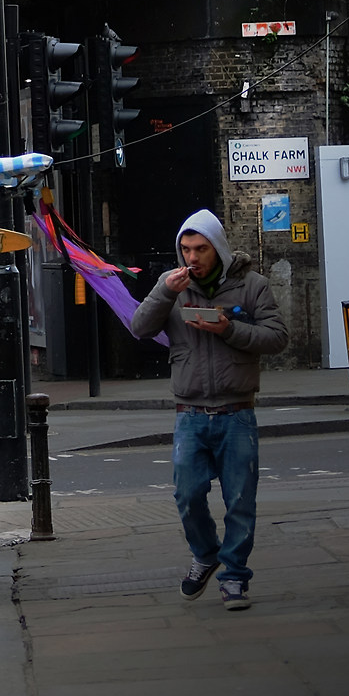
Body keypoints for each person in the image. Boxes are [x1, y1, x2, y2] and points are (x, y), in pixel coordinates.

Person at [127, 209, 286, 611]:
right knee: (188, 493)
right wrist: (164, 290)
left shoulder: (252, 287)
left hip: (237, 412)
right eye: (185, 250)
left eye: (200, 249)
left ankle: (234, 577)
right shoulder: (174, 288)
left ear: (218, 249)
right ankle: (206, 552)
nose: (192, 258)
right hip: (190, 412)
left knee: (240, 501)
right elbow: (139, 327)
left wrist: (229, 330)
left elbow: (277, 337)